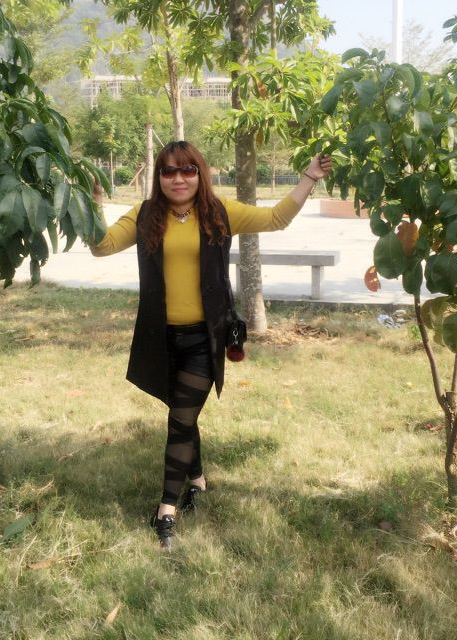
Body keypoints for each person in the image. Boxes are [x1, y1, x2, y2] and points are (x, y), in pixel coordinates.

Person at [90, 141, 332, 548]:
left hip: (205, 338)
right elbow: (102, 246)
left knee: (180, 420)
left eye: (187, 170)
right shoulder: (146, 215)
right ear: (159, 177)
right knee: (184, 414)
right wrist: (95, 204)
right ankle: (198, 479)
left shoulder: (218, 213)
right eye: (169, 171)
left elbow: (276, 218)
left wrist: (309, 177)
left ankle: (167, 509)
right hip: (161, 338)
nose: (178, 179)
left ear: (200, 174)